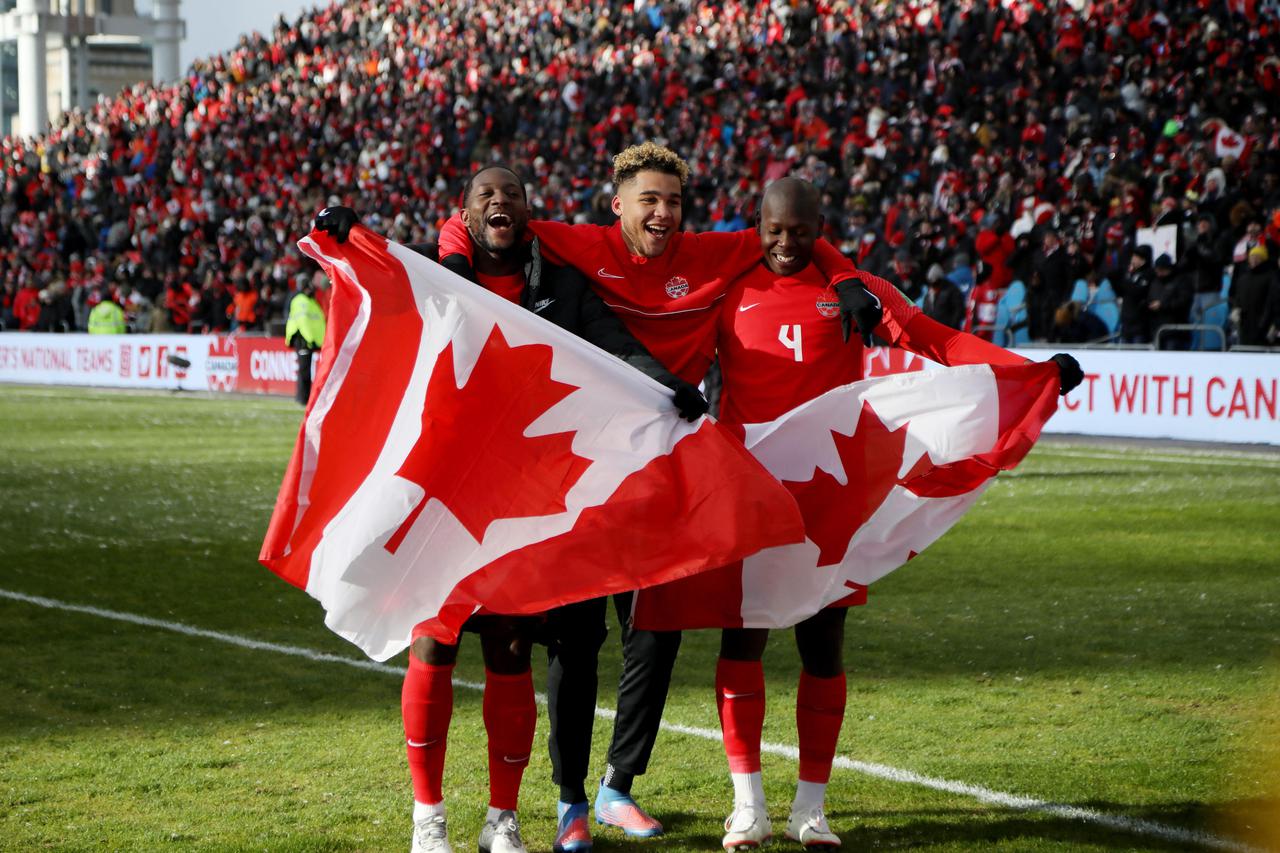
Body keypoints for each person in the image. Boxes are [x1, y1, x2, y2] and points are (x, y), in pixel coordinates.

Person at [436, 142, 884, 847]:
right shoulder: (579, 244)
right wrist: (455, 259)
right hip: (588, 466)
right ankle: (569, 800)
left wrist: (850, 274)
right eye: (649, 199)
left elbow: (793, 228)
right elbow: (485, 215)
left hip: (671, 463)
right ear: (618, 205)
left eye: (672, 200)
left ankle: (619, 785)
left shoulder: (712, 253)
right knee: (575, 636)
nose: (662, 212)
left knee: (657, 631)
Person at [315, 163, 707, 853]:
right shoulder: (443, 274)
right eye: (485, 195)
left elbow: (614, 346)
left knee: (513, 646)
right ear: (464, 215)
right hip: (446, 483)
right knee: (432, 641)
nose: (501, 201)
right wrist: (356, 236)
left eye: (514, 194)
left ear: (528, 212)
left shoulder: (558, 283)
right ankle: (427, 817)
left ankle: (503, 818)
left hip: (517, 491)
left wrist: (669, 385)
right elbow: (392, 279)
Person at [709, 177, 1082, 851]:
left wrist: (1032, 370)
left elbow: (939, 343)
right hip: (751, 492)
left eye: (800, 231)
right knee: (743, 642)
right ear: (756, 225)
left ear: (821, 227)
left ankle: (811, 809)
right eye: (774, 229)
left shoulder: (856, 290)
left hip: (829, 498)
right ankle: (747, 805)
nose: (786, 242)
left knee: (823, 647)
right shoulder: (726, 287)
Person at [284, 276, 326, 406]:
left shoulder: (310, 301)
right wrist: (311, 339)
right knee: (304, 370)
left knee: (306, 370)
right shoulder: (301, 301)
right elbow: (303, 323)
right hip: (303, 340)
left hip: (309, 340)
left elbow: (317, 323)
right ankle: (302, 398)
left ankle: (305, 397)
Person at [1149, 253, 1193, 350]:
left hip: (1175, 332)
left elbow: (1184, 302)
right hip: (1157, 330)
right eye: (1157, 270)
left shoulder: (1181, 281)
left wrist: (1163, 305)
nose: (1159, 273)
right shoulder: (1155, 282)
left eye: (1161, 270)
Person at [1116, 245, 1154, 344]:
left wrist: (1128, 280)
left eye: (1135, 257)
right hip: (1126, 323)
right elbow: (1120, 289)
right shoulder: (1130, 274)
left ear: (1143, 260)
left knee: (1137, 354)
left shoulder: (1148, 274)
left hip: (1139, 325)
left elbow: (1136, 292)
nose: (1132, 259)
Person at [922, 263, 965, 330]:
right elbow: (926, 311)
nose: (933, 286)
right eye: (931, 283)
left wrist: (951, 327)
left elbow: (959, 310)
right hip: (932, 331)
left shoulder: (952, 290)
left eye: (936, 283)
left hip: (948, 331)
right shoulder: (929, 293)